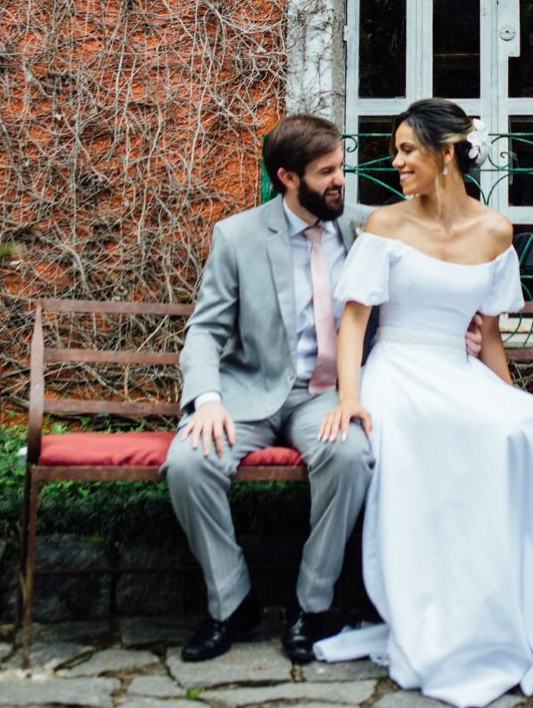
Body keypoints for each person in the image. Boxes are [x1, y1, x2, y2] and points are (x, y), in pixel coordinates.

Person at [313, 98, 533, 708]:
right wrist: (352, 397)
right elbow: (356, 322)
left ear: (446, 154)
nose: (396, 163)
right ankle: (454, 617)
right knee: (458, 432)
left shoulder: (496, 231)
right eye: (396, 151)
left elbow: (489, 336)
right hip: (400, 373)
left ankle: (526, 607)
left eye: (407, 150)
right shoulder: (385, 225)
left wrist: (514, 398)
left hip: (457, 366)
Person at [162, 113, 373, 665]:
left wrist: (471, 323)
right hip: (246, 392)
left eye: (341, 169)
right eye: (327, 172)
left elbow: (435, 256)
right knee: (187, 464)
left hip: (325, 394)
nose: (340, 182)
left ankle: (311, 606)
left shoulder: (366, 227)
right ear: (287, 176)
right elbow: (205, 330)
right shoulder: (237, 236)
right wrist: (206, 399)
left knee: (350, 457)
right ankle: (232, 603)